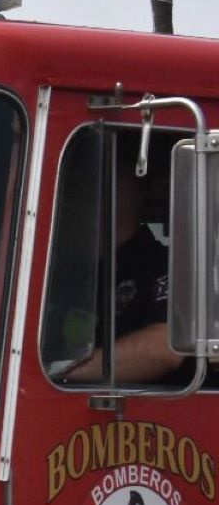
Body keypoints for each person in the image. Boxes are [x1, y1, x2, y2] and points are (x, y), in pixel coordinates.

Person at [60, 164, 179, 384]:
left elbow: (166, 347)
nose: (64, 208)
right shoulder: (75, 273)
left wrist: (57, 373)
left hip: (148, 413)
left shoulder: (164, 264)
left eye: (73, 193)